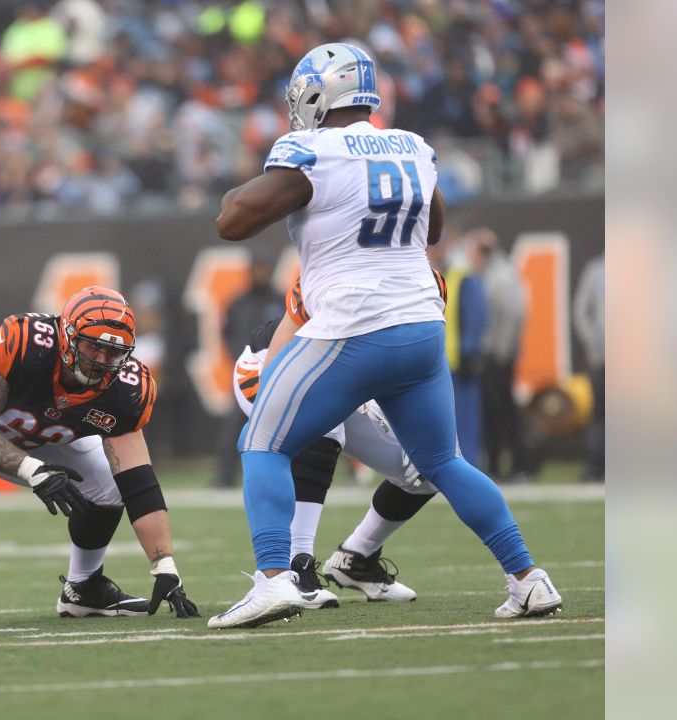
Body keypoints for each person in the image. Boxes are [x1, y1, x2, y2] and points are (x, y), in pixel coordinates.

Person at [211, 43, 561, 628]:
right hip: (421, 328)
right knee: (444, 461)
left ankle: (275, 579)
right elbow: (436, 224)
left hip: (354, 324)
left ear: (320, 94)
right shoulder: (412, 147)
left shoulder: (312, 149)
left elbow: (232, 222)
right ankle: (527, 578)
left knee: (263, 442)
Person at [0, 286, 199, 626]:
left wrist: (164, 564)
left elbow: (138, 482)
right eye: (93, 347)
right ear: (67, 336)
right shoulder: (26, 341)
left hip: (35, 431)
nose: (101, 360)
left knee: (109, 482)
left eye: (112, 352)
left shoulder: (129, 387)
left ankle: (83, 587)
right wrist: (33, 470)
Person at [231, 270, 449, 605]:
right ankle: (297, 567)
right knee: (321, 425)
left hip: (341, 380)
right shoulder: (354, 290)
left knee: (423, 467)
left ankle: (357, 558)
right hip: (270, 366)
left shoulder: (409, 321)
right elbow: (320, 362)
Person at [213, 252, 283, 488]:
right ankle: (225, 477)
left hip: (278, 373)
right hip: (247, 375)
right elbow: (228, 333)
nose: (261, 273)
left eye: (265, 268)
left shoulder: (280, 300)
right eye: (258, 268)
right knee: (235, 425)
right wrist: (241, 358)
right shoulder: (238, 303)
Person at [470, 228, 529, 480]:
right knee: (490, 412)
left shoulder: (501, 276)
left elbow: (513, 315)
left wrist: (502, 352)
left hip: (498, 355)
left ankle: (520, 465)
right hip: (491, 354)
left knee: (504, 411)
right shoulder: (489, 274)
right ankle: (495, 464)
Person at [444, 233, 490, 468]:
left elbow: (475, 315)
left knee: (465, 418)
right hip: (445, 361)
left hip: (459, 361)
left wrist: (470, 351)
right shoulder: (453, 274)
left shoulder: (463, 276)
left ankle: (468, 465)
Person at [573, 253, 604, 481]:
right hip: (603, 357)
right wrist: (595, 344)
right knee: (600, 413)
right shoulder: (596, 271)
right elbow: (582, 310)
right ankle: (595, 465)